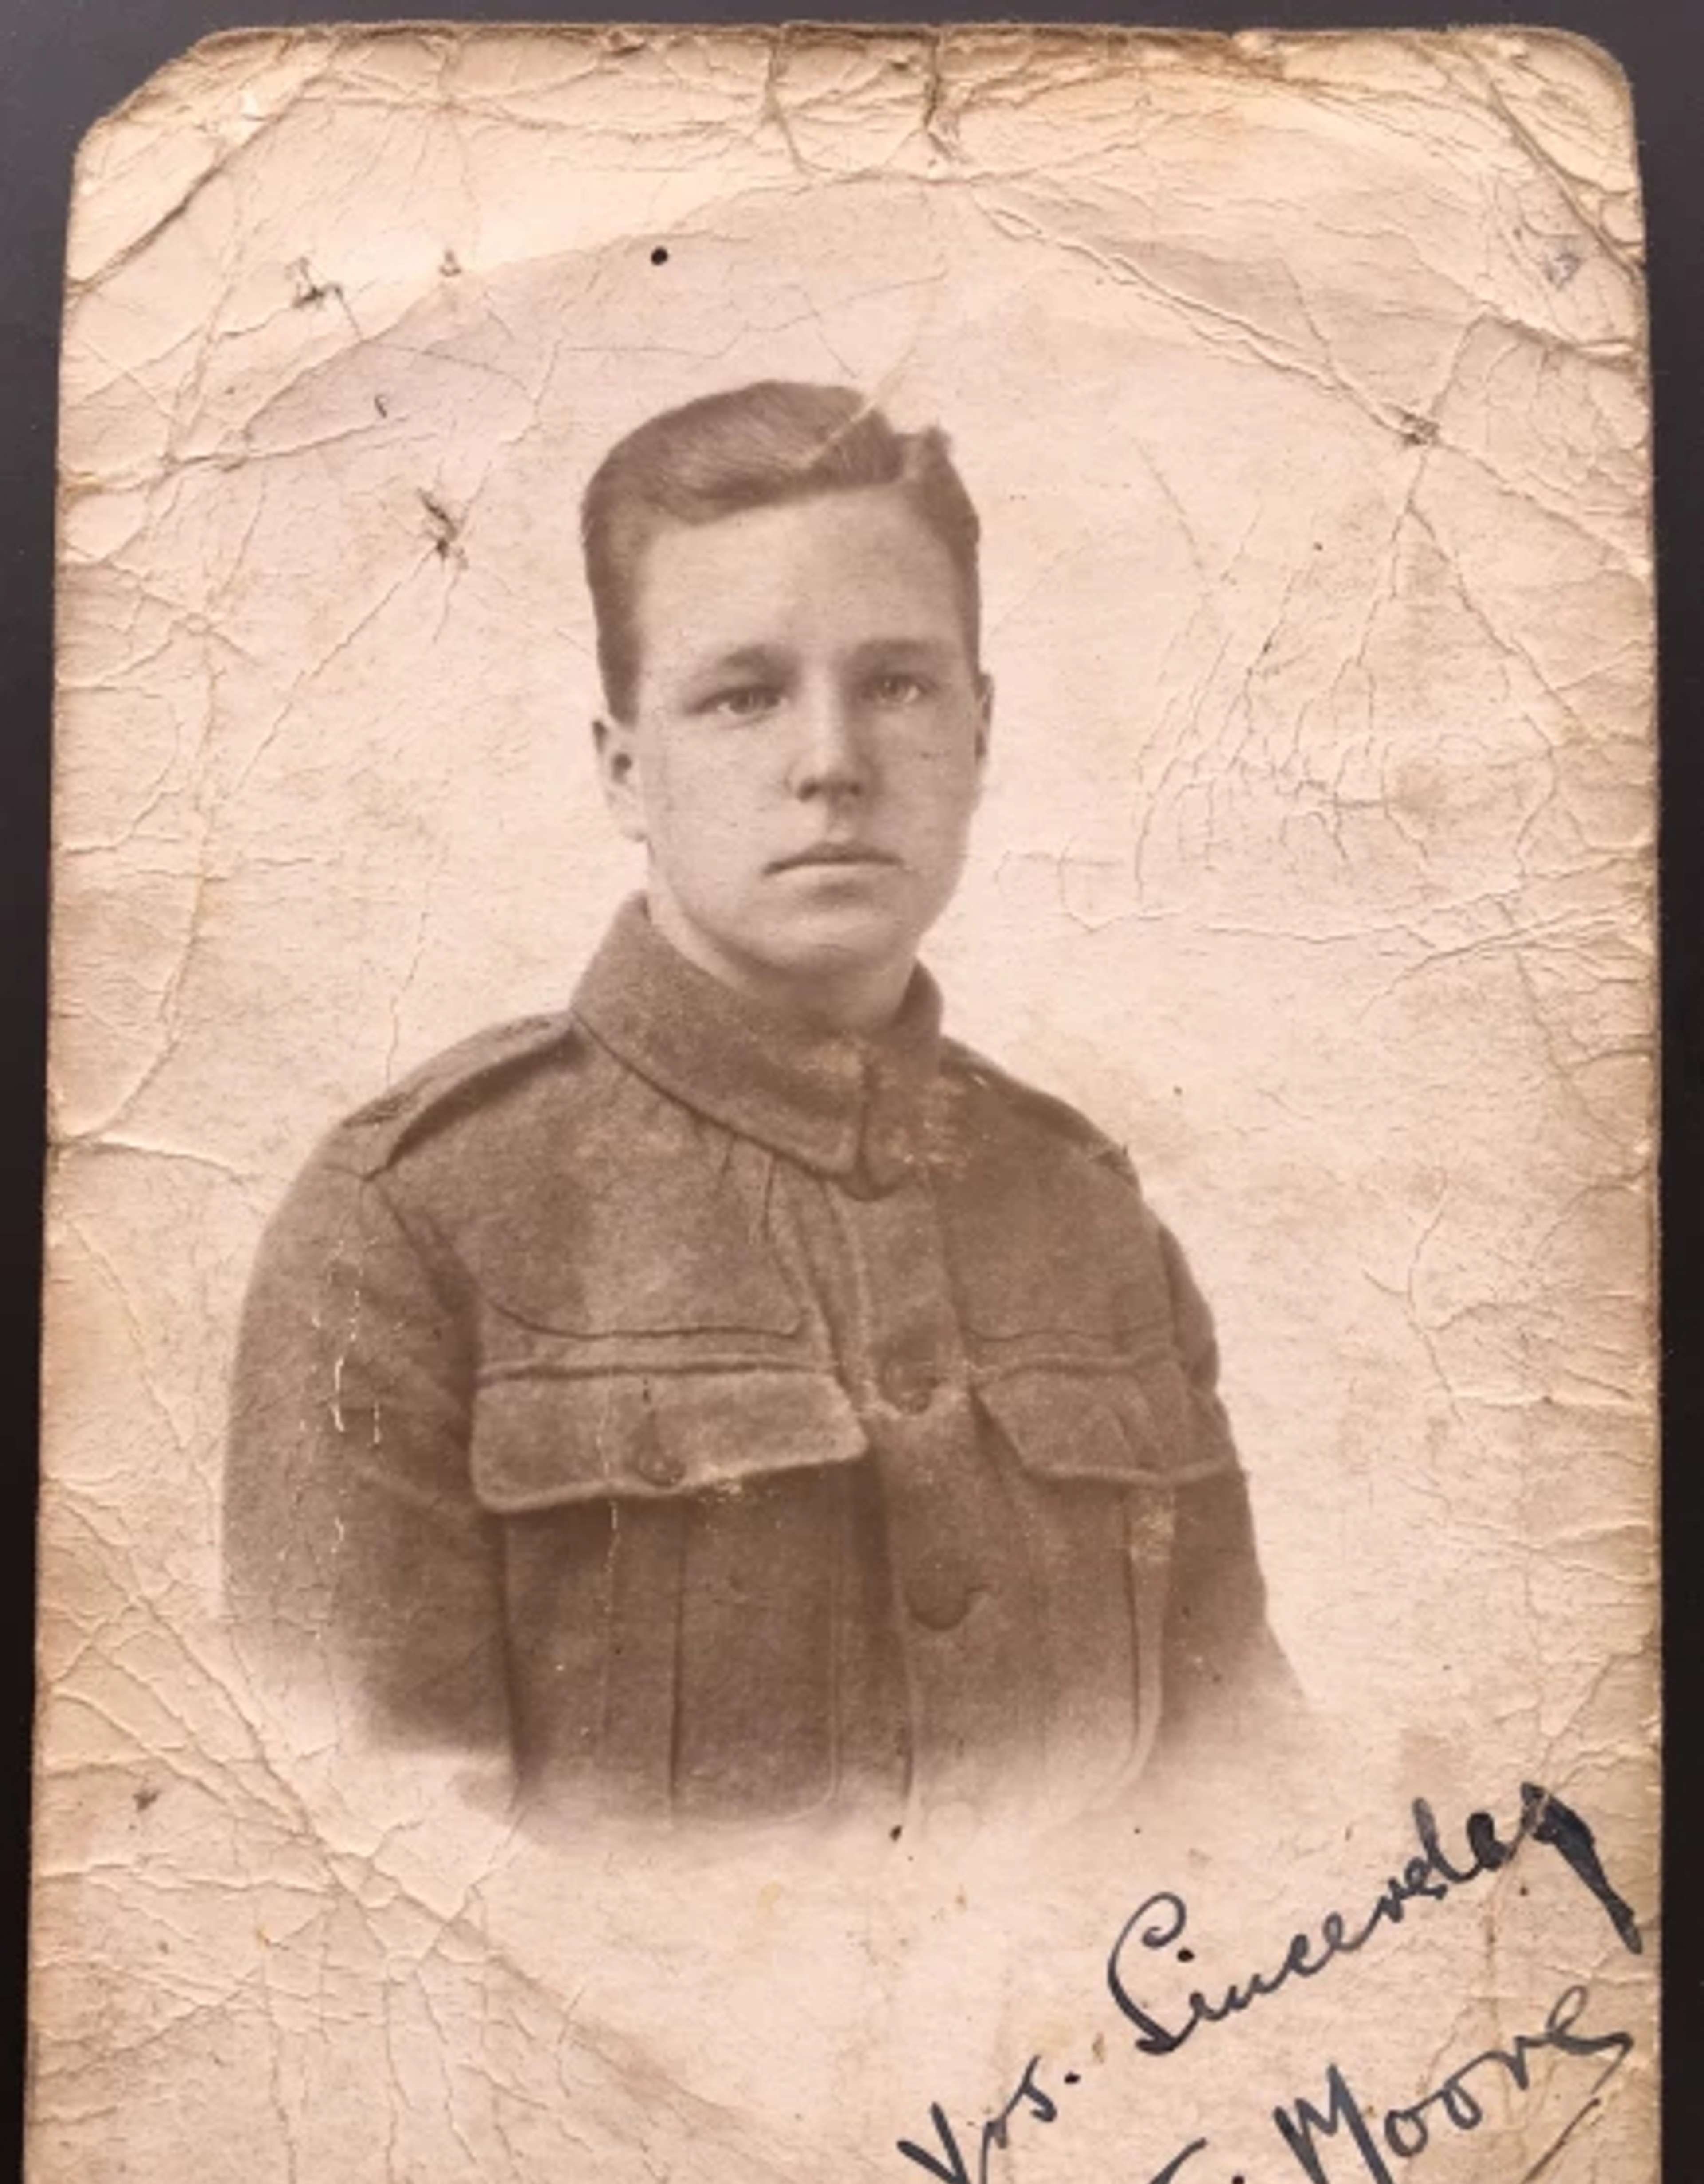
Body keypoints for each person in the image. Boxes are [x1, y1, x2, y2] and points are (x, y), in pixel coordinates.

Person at [224, 379, 1295, 1822]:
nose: (833, 766)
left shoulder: (1089, 1218)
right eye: (743, 696)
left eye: (900, 685)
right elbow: (373, 1893)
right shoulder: (409, 1225)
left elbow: (1254, 1812)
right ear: (624, 769)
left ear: (980, 734)